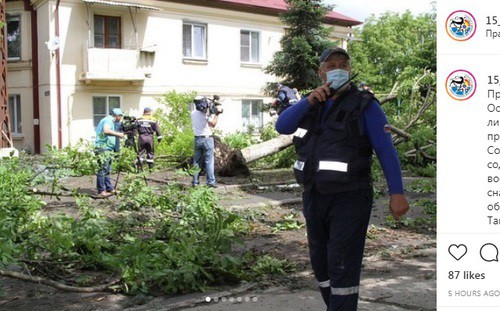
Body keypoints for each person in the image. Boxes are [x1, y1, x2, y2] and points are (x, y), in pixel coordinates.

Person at [275, 47, 409, 310]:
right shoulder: (311, 104)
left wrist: (397, 192)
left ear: (349, 70)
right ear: (321, 72)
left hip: (350, 197)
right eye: (330, 64)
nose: (337, 68)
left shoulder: (365, 106)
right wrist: (308, 100)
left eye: (343, 64)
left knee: (342, 263)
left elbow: (386, 150)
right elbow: (283, 126)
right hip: (314, 195)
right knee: (321, 265)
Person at [191, 96, 220, 188]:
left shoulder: (192, 113)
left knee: (196, 162)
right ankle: (211, 182)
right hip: (207, 139)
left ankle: (195, 182)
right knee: (209, 161)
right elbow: (213, 124)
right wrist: (217, 114)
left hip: (197, 139)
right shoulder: (205, 115)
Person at [94, 108, 125, 197]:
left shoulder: (111, 121)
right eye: (120, 116)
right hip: (103, 148)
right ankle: (101, 190)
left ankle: (109, 188)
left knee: (107, 169)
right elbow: (106, 130)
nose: (121, 118)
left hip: (108, 148)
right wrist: (119, 134)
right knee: (103, 169)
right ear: (117, 116)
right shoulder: (108, 120)